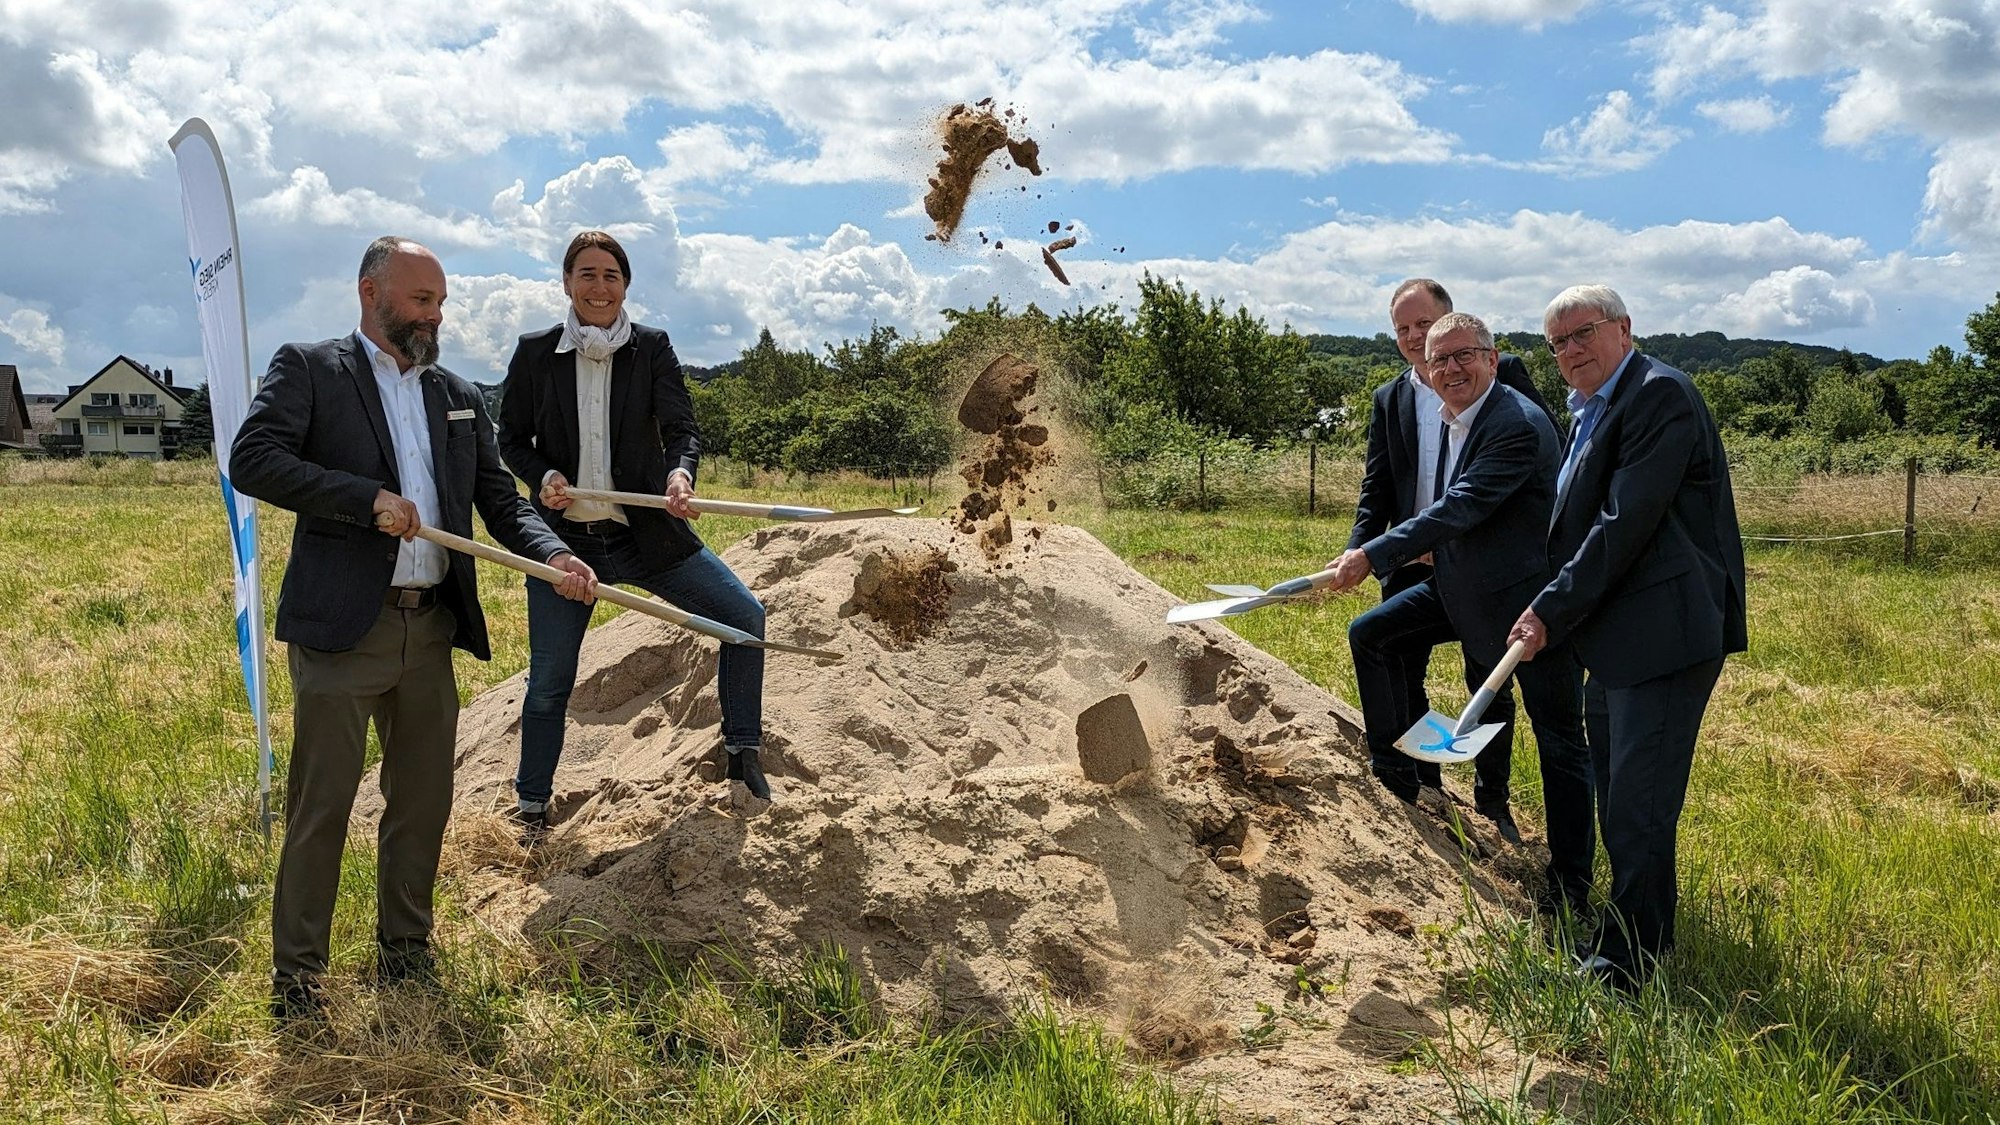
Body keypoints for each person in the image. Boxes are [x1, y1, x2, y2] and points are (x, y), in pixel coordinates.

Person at [232, 236, 598, 1021]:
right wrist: (365, 498)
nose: (436, 315)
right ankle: (298, 979)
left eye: (441, 301)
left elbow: (500, 503)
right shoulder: (310, 368)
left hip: (429, 631)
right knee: (322, 805)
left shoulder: (457, 393)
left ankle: (405, 954)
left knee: (422, 802)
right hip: (342, 631)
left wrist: (556, 553)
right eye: (422, 299)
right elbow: (252, 460)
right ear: (371, 293)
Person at [1508, 284, 1747, 989]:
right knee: (1621, 798)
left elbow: (1623, 522)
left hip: (1665, 635)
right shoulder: (1591, 410)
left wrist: (1549, 607)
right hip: (1617, 639)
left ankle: (1627, 964)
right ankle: (1640, 928)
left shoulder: (1657, 395)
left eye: (1583, 334)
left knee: (1639, 804)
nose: (1570, 352)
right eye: (1557, 344)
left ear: (1623, 329)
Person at [497, 230, 770, 826]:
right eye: (587, 274)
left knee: (745, 620)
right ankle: (532, 806)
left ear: (626, 285)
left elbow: (682, 430)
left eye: (611, 275)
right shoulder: (536, 351)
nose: (599, 287)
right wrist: (541, 472)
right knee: (549, 682)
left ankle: (742, 754)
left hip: (648, 538)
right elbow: (510, 439)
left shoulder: (652, 348)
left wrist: (680, 475)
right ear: (567, 282)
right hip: (565, 550)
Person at [1328, 313, 1594, 907]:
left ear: (1492, 359)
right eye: (1438, 358)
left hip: (1533, 609)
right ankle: (1397, 774)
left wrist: (1373, 555)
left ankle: (1570, 883)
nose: (1450, 369)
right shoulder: (1459, 418)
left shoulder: (1515, 424)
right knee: (1374, 635)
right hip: (1465, 589)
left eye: (1463, 355)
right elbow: (1454, 510)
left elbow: (1461, 507)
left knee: (1559, 742)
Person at [1344, 280, 1556, 836]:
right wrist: (1362, 550)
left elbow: (1489, 490)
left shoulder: (1499, 386)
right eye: (1404, 330)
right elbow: (1378, 486)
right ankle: (1410, 778)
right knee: (1391, 653)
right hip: (1416, 561)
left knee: (1486, 678)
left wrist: (1378, 552)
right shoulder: (1392, 398)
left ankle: (1493, 802)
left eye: (1426, 326)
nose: (1416, 339)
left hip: (1489, 567)